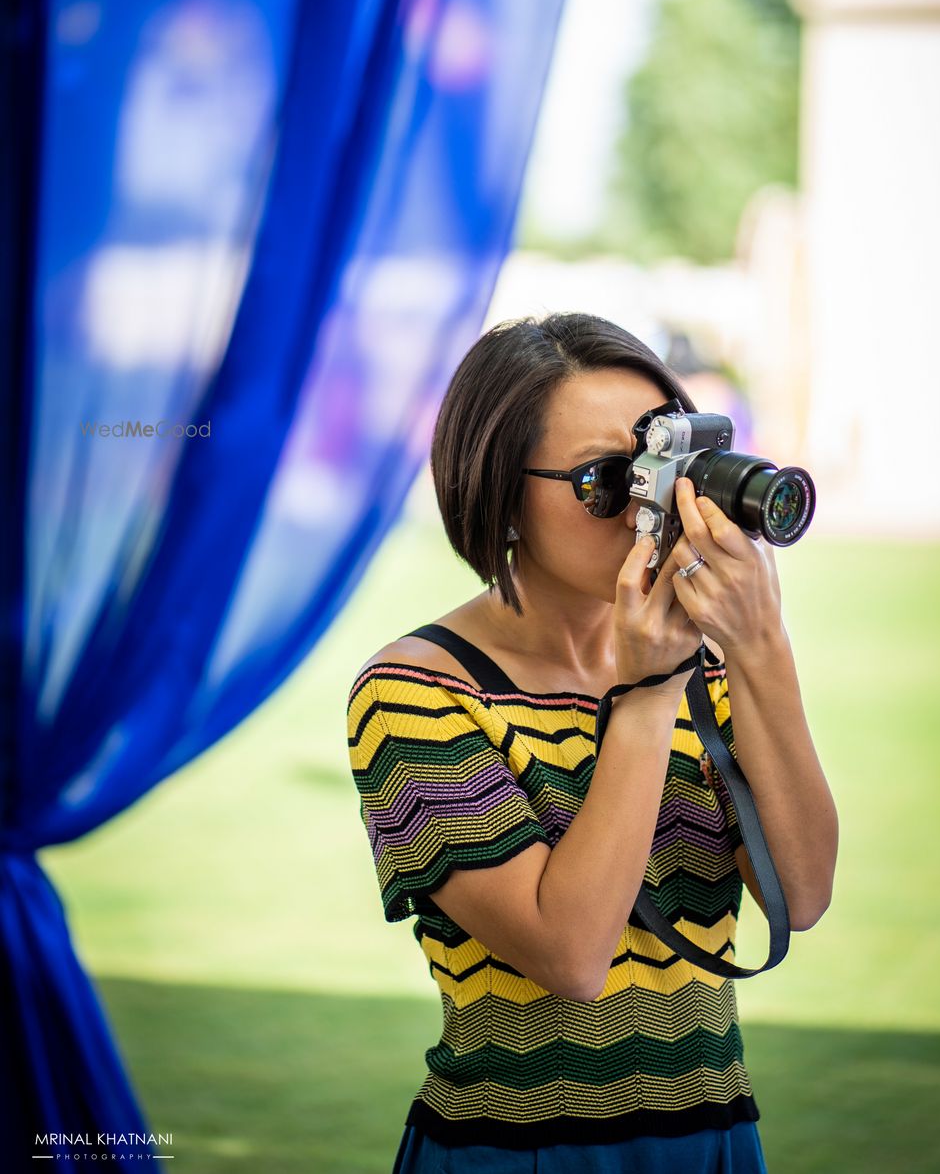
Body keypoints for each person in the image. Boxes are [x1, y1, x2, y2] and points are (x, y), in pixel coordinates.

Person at [346, 312, 838, 1174]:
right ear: (498, 491)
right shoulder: (415, 691)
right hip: (518, 1152)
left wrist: (762, 649)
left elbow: (798, 898)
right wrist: (645, 696)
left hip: (717, 1141)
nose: (651, 505)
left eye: (667, 464)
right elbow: (569, 954)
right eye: (607, 478)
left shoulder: (713, 664)